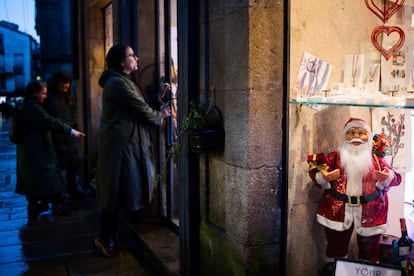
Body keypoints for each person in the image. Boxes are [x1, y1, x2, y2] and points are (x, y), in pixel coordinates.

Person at [94, 43, 171, 257]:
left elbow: (139, 103)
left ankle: (111, 234)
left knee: (118, 192)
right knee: (114, 193)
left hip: (124, 146)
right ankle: (104, 237)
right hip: (120, 148)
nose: (136, 58)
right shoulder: (117, 84)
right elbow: (140, 109)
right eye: (131, 55)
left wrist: (158, 98)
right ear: (121, 61)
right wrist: (161, 115)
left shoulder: (122, 81)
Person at [307, 118, 401, 269]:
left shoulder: (376, 160)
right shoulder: (335, 158)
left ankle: (366, 270)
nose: (356, 136)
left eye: (361, 132)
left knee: (369, 252)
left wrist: (386, 177)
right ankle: (335, 269)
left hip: (371, 213)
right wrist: (324, 177)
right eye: (351, 132)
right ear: (344, 135)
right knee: (336, 248)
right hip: (337, 212)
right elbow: (315, 173)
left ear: (368, 137)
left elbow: (396, 178)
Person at [14, 80, 85, 218]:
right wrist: (70, 131)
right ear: (35, 93)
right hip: (36, 151)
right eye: (43, 93)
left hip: (32, 150)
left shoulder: (28, 106)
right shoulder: (32, 108)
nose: (45, 96)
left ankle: (37, 206)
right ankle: (54, 204)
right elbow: (50, 121)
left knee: (37, 180)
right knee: (48, 177)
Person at [44, 70, 83, 199]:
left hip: (70, 134)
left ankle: (71, 188)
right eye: (63, 83)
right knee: (57, 167)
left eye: (68, 83)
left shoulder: (68, 96)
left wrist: (74, 123)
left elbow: (73, 110)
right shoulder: (48, 97)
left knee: (74, 163)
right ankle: (58, 193)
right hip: (57, 136)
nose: (66, 86)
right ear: (57, 83)